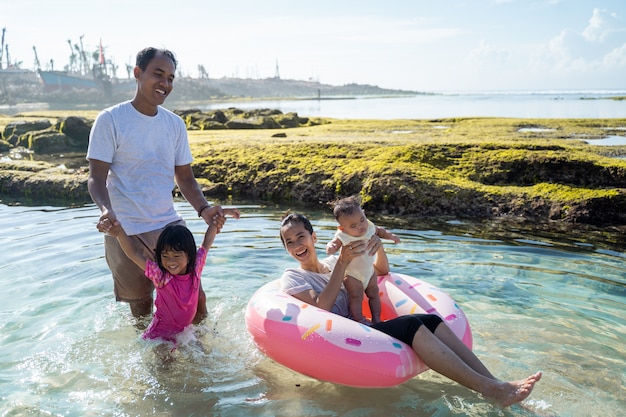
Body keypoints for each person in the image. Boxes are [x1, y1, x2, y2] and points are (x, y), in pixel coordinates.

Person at [279, 213, 541, 407]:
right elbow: (321, 307)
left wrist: (377, 248)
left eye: (300, 236)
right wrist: (342, 264)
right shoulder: (293, 277)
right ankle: (490, 389)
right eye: (289, 242)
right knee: (411, 326)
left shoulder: (335, 260)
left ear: (313, 237)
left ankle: (496, 384)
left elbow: (381, 272)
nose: (297, 245)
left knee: (430, 319)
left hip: (364, 326)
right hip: (343, 334)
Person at [87, 46, 239, 321]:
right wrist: (105, 212)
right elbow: (96, 178)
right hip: (126, 230)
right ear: (138, 73)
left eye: (170, 78)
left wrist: (204, 209)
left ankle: (204, 356)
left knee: (196, 300)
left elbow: (185, 177)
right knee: (141, 309)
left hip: (169, 227)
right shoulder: (110, 119)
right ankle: (153, 360)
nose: (165, 84)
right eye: (158, 74)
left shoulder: (174, 124)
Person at [113, 209, 239, 343]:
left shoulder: (196, 268)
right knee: (163, 364)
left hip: (184, 331)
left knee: (202, 358)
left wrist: (217, 220)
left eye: (177, 256)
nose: (170, 261)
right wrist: (119, 232)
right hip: (161, 335)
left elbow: (206, 242)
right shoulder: (161, 276)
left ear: (189, 256)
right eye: (165, 256)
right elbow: (134, 254)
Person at [326, 196, 400, 323]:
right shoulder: (343, 235)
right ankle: (359, 319)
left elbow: (381, 232)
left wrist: (391, 236)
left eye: (362, 220)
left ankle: (376, 317)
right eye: (353, 226)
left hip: (369, 273)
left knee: (374, 294)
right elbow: (334, 243)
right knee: (356, 297)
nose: (360, 226)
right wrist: (331, 247)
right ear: (342, 228)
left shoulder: (369, 226)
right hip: (352, 275)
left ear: (364, 214)